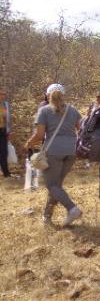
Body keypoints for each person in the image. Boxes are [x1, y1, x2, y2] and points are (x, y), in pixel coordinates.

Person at [25, 84, 83, 225]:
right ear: (63, 95)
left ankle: (72, 208)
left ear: (47, 95)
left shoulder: (44, 111)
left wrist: (28, 144)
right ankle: (47, 216)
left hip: (53, 152)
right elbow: (82, 129)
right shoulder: (73, 110)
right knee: (56, 185)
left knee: (51, 185)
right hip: (71, 151)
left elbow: (39, 135)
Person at [0, 89, 11, 178]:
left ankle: (6, 173)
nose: (2, 96)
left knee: (4, 152)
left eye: (4, 94)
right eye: (0, 94)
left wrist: (9, 130)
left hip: (3, 131)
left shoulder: (5, 104)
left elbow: (8, 119)